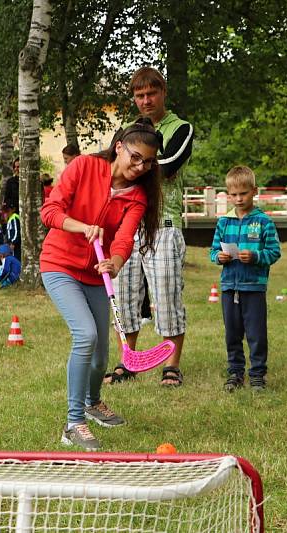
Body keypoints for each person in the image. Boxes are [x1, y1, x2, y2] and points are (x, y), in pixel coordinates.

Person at [40, 119, 163, 451]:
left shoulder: (137, 196)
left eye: (148, 162)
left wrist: (116, 262)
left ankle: (93, 403)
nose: (140, 167)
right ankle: (73, 422)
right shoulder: (84, 167)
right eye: (135, 157)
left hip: (97, 273)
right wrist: (81, 227)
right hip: (59, 264)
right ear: (119, 146)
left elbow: (124, 238)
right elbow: (50, 211)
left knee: (100, 356)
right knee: (86, 335)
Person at [107, 67, 194, 387]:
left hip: (163, 225)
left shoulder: (181, 128)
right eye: (139, 95)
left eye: (151, 94)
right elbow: (109, 166)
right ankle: (127, 360)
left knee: (167, 296)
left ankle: (171, 365)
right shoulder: (127, 130)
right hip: (124, 226)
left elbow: (169, 167)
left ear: (163, 93)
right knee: (124, 297)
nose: (145, 100)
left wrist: (134, 159)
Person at [210, 166, 280, 392]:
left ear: (254, 191)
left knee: (256, 333)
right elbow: (213, 252)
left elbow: (274, 252)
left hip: (254, 287)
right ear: (228, 194)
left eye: (244, 193)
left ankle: (258, 374)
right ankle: (235, 373)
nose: (238, 199)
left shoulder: (264, 222)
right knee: (232, 333)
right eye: (234, 194)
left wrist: (256, 256)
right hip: (230, 286)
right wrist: (219, 257)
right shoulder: (224, 222)